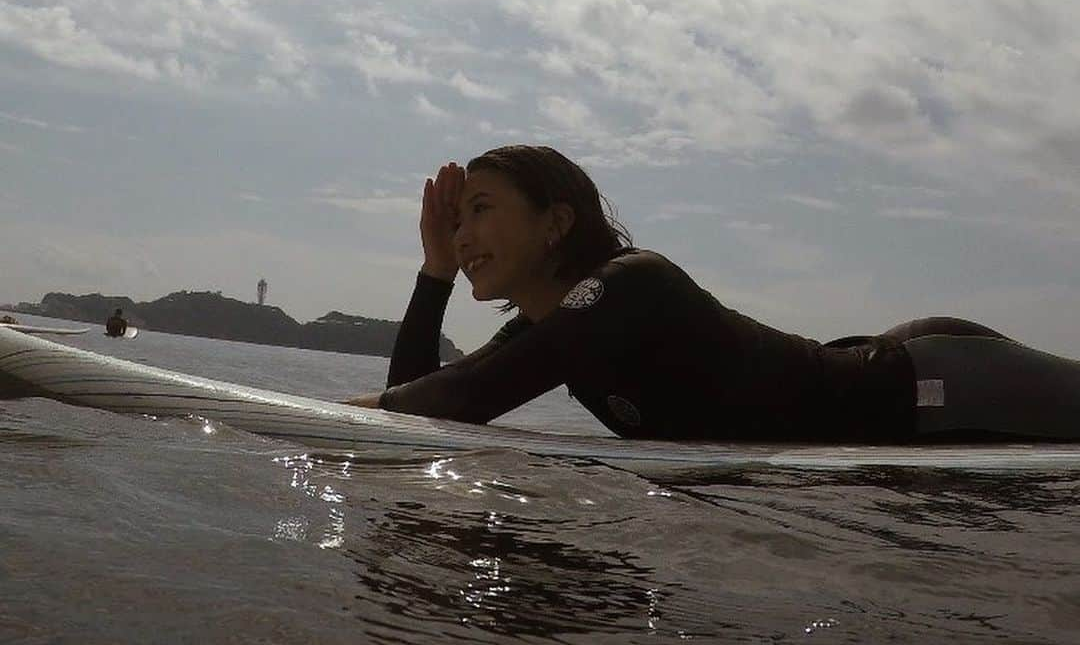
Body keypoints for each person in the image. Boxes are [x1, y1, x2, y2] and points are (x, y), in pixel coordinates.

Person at [344, 145, 1080, 443]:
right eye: (456, 219)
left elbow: (465, 398)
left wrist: (340, 415)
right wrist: (435, 269)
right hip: (884, 371)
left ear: (554, 224)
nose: (463, 232)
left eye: (480, 210)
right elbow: (419, 405)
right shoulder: (551, 329)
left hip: (941, 385)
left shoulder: (631, 287)